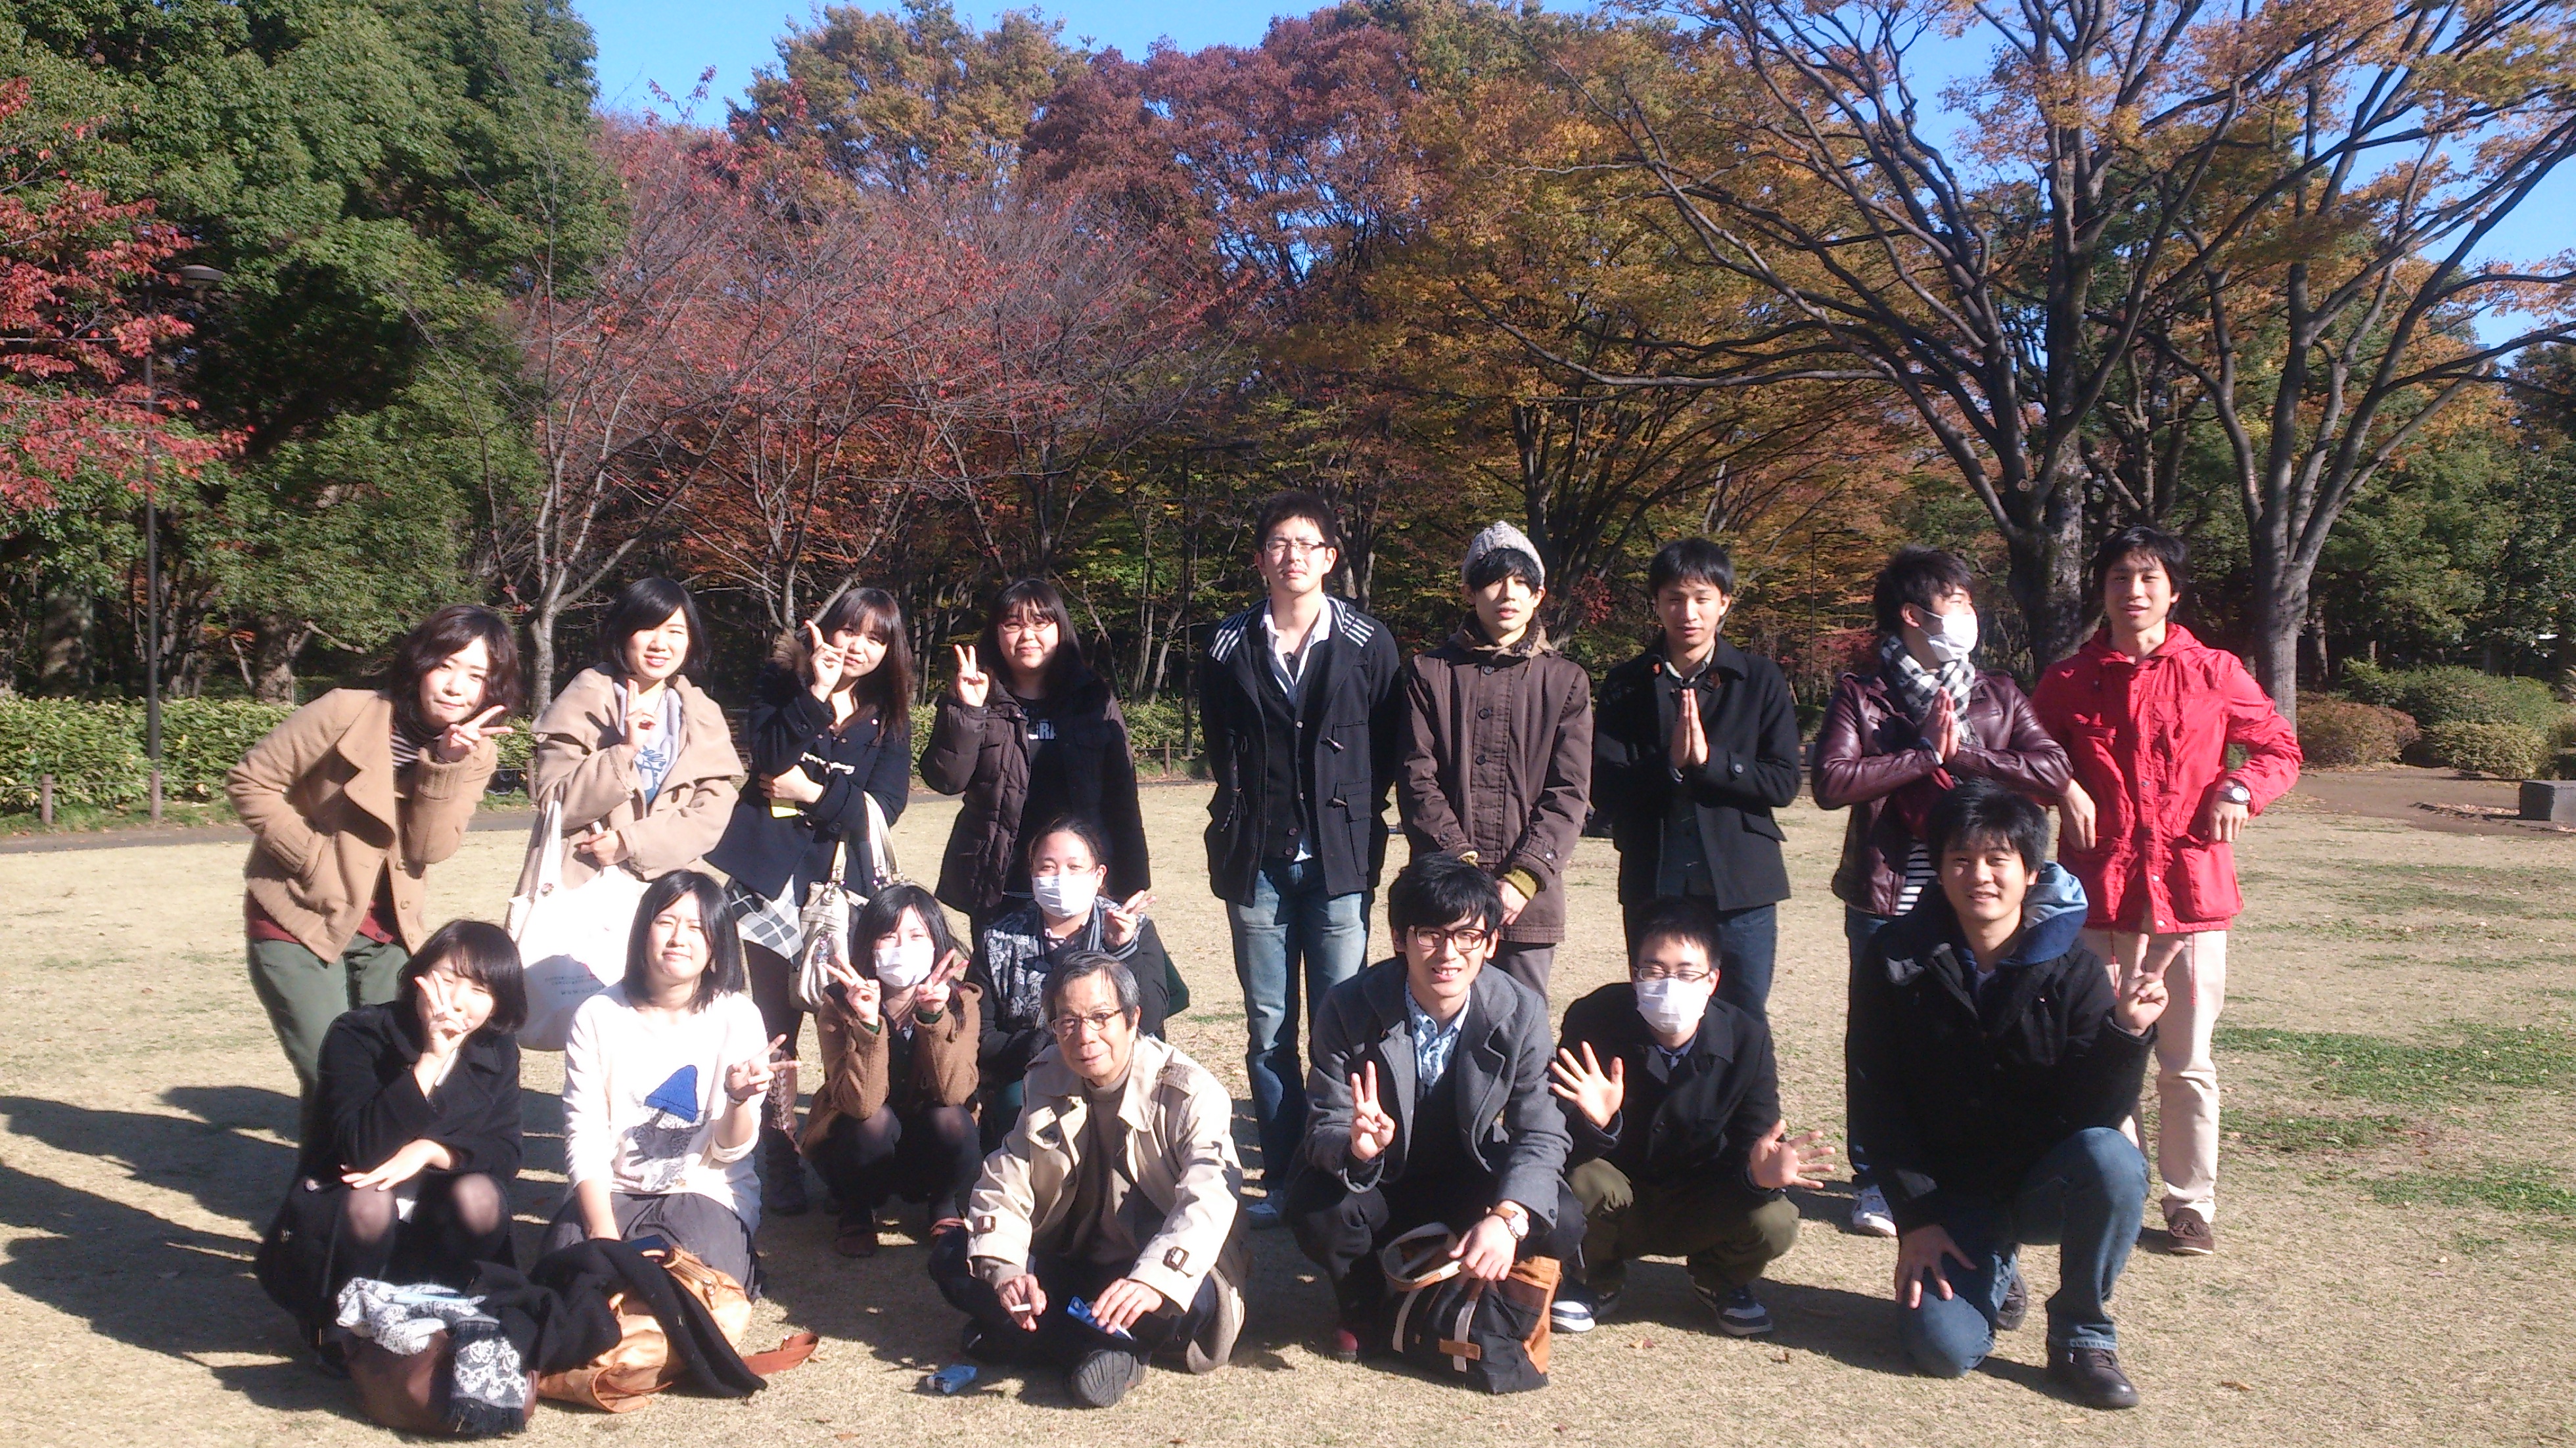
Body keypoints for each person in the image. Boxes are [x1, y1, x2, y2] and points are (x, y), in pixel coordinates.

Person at [1849, 782, 2169, 1409]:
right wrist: (1916, 1218)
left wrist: (2127, 1033)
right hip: (1950, 1194)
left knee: (2113, 1157)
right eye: (1960, 859)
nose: (1979, 876)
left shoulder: (2073, 966)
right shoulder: (1896, 957)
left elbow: (2093, 1115)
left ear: (2031, 873)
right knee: (1941, 1351)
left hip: (2040, 1183)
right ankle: (1995, 1268)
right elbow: (1874, 1092)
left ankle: (2081, 1335)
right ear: (1939, 869)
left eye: (1998, 860)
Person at [2031, 526, 2301, 1259]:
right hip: (2099, 895)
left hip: (2189, 895)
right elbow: (2026, 754)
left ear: (2173, 591)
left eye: (2149, 577)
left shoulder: (2214, 671)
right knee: (2104, 1056)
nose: (2134, 591)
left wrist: (2240, 787)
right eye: (2120, 577)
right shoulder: (2068, 679)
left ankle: (2190, 1204)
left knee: (2185, 1062)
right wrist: (2062, 786)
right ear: (2102, 589)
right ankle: (2112, 1191)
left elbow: (2279, 747)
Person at [1812, 546, 2071, 1236]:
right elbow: (1831, 781)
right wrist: (1921, 754)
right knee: (1880, 1038)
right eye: (1956, 601)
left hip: (1984, 893)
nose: (1968, 614)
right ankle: (1875, 1180)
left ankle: (1966, 1168)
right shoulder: (1863, 694)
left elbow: (2051, 771)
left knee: (1975, 1030)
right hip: (1891, 892)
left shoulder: (1996, 691)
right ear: (1911, 614)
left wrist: (1963, 754)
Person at [1199, 490, 1404, 1223]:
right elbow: (1219, 742)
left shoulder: (1368, 640)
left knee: (1340, 1023)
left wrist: (1350, 806)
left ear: (1330, 557)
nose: (1292, 555)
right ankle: (1285, 1177)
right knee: (1268, 1028)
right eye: (1279, 543)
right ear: (1260, 558)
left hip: (1339, 860)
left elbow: (1389, 743)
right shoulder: (1226, 642)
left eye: (1307, 543)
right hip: (1256, 859)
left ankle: (1340, 1166)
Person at [1287, 852, 1578, 1366]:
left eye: (1468, 936)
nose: (1448, 954)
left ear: (1491, 943)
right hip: (1380, 1181)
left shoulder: (1521, 1009)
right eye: (1430, 934)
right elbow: (1325, 1122)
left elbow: (1540, 1130)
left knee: (1563, 1216)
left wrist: (1508, 1217)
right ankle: (1362, 1302)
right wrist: (1357, 1149)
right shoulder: (1348, 1006)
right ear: (1399, 938)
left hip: (1470, 1176)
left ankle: (1471, 1289)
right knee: (1318, 1206)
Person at [228, 604, 520, 1103]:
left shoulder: (478, 752)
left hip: (389, 928)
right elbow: (250, 781)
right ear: (419, 664)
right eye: (445, 666)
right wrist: (310, 860)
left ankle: (367, 1158)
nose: (456, 687)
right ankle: (333, 1158)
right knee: (330, 1072)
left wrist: (445, 765)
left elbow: (431, 847)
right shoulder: (348, 712)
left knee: (394, 1067)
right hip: (300, 914)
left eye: (476, 676)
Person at [931, 950, 1247, 1409]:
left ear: (1133, 1019)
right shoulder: (1046, 1077)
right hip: (1071, 1260)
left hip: (1146, 1267)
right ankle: (1100, 1349)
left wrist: (1152, 1282)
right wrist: (1009, 1273)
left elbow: (1209, 1200)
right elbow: (1007, 1177)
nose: (1085, 1036)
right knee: (954, 1255)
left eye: (1101, 1017)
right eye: (1068, 1021)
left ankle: (1031, 1340)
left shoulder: (1191, 1092)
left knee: (1193, 1296)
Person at [705, 587, 914, 1218]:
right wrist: (816, 691)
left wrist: (808, 791)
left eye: (876, 639)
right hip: (769, 879)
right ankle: (780, 1156)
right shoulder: (781, 680)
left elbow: (884, 808)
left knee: (843, 1021)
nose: (858, 647)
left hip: (842, 888)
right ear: (824, 629)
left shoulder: (888, 713)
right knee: (774, 1026)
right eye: (850, 630)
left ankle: (842, 1151)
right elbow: (768, 759)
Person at [1547, 897, 1828, 1338]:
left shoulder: (1747, 1036)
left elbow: (1755, 1137)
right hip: (1618, 1195)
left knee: (1775, 1219)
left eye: (1686, 973)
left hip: (1703, 1201)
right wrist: (1598, 1125)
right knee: (1582, 1181)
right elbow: (1554, 1135)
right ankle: (1594, 1279)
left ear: (1712, 979)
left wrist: (1760, 1177)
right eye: (1653, 971)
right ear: (1634, 974)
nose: (1668, 985)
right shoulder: (1595, 1017)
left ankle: (1720, 1279)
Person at [258, 920, 528, 1361]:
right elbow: (361, 1149)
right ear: (418, 975)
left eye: (480, 990)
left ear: (498, 1003)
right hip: (348, 1210)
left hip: (432, 1219)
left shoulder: (496, 1050)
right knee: (370, 1201)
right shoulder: (360, 1034)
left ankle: (445, 1309)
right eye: (447, 980)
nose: (457, 1001)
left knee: (480, 1197)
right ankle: (335, 1329)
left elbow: (506, 1152)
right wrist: (431, 1059)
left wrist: (432, 1151)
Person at [1590, 538, 1801, 1020]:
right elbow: (1606, 788)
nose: (1688, 612)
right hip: (1654, 878)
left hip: (1740, 885)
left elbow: (1785, 782)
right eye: (1674, 599)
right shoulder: (1626, 684)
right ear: (1657, 604)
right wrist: (1669, 763)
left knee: (1743, 1015)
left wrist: (1712, 762)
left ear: (1724, 602)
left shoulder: (1760, 678)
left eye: (1702, 598)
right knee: (1660, 1014)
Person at [547, 871, 781, 1291]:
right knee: (572, 1281)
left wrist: (738, 1100)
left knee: (693, 1284)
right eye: (666, 922)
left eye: (696, 927)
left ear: (717, 945)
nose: (678, 938)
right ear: (643, 931)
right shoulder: (598, 1015)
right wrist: (602, 1236)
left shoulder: (737, 1016)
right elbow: (585, 1134)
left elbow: (730, 1152)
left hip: (704, 1190)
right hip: (613, 1189)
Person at [1396, 522, 1594, 999]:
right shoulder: (1429, 672)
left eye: (1522, 582)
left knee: (1519, 1022)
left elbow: (1569, 792)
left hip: (1528, 902)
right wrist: (1459, 864)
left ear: (1539, 595)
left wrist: (1524, 877)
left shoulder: (1566, 680)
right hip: (1443, 891)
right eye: (1493, 580)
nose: (1508, 594)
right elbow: (1416, 775)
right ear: (1469, 591)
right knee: (1432, 1015)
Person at [921, 577, 1150, 938]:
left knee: (1079, 972)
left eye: (1040, 623)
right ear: (997, 634)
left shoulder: (1092, 698)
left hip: (1077, 878)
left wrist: (1133, 881)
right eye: (1013, 624)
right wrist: (969, 711)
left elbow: (1121, 797)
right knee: (1002, 971)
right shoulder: (976, 696)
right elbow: (946, 780)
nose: (1027, 635)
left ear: (1060, 629)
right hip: (1001, 879)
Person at [967, 815, 1177, 1148]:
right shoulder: (999, 938)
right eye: (1047, 867)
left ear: (1099, 875)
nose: (1060, 878)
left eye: (1075, 867)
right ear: (1032, 875)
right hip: (1027, 1076)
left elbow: (1149, 1018)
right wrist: (1046, 1046)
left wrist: (1122, 950)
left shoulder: (1134, 929)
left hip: (1115, 1074)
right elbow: (979, 1036)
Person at [802, 884, 982, 1259]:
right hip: (859, 1145)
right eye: (889, 936)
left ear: (936, 943)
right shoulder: (839, 1004)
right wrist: (868, 1024)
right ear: (870, 944)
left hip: (927, 1144)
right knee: (872, 1121)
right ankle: (856, 1209)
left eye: (917, 936)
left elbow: (954, 1092)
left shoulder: (962, 1000)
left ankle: (945, 1205)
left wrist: (934, 1018)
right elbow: (859, 1104)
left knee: (952, 1117)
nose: (903, 947)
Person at [529, 576, 742, 893]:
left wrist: (630, 843)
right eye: (647, 628)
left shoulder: (702, 712)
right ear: (623, 633)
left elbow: (713, 813)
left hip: (670, 888)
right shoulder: (586, 698)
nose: (660, 644)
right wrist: (624, 751)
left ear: (690, 641)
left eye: (675, 632)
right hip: (582, 881)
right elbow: (555, 805)